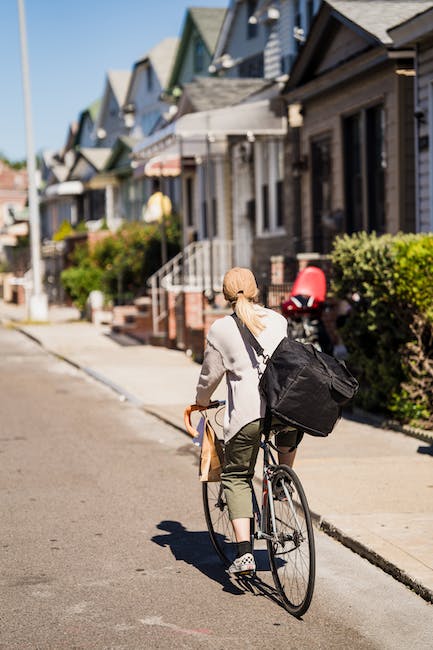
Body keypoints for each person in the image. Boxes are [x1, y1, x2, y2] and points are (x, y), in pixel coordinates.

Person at [195, 267, 302, 576]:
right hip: (286, 409)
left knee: (237, 476)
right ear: (257, 290)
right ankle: (283, 477)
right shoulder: (278, 320)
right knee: (289, 430)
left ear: (225, 295)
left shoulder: (220, 330)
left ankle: (244, 555)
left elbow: (209, 378)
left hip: (248, 416)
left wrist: (201, 402)